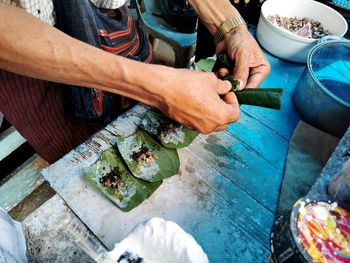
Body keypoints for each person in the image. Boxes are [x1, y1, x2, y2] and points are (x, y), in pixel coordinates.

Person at [0, 0, 270, 164]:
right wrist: (156, 87)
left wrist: (229, 26)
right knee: (90, 161)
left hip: (112, 19)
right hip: (28, 51)